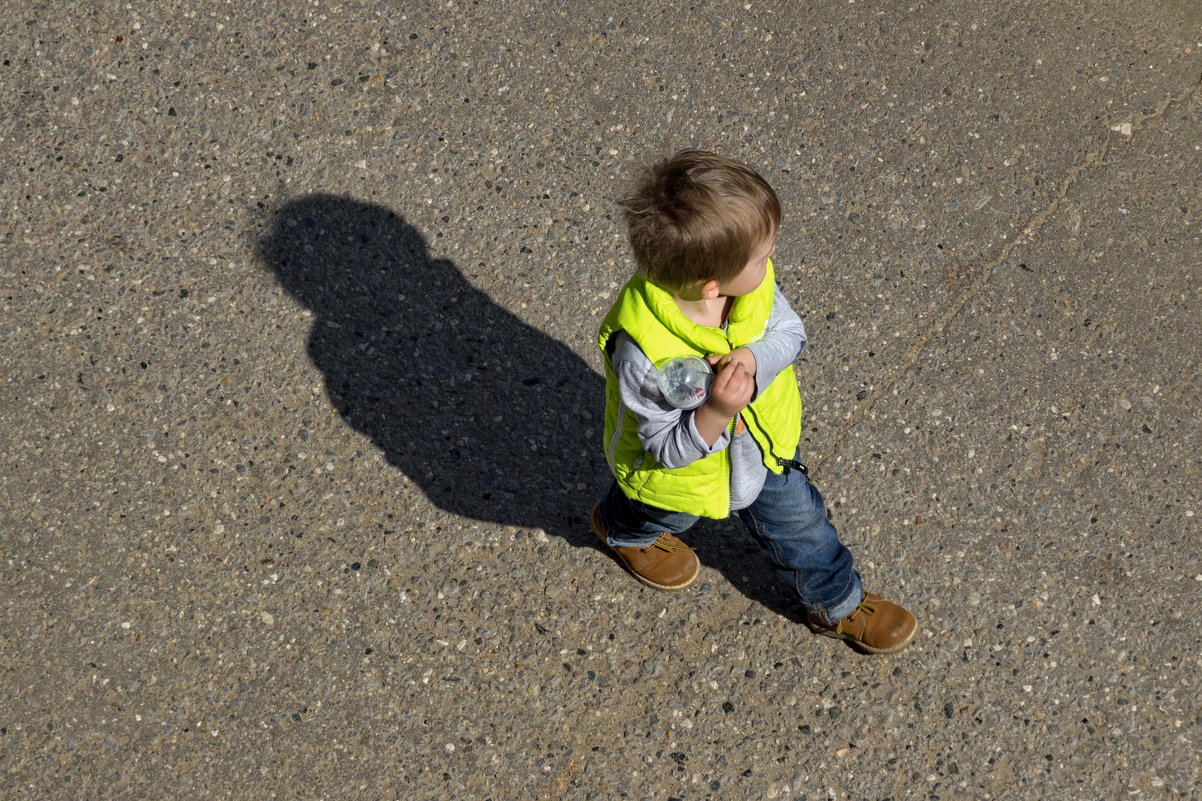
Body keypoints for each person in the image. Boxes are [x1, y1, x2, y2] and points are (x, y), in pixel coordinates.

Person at [592, 150, 916, 654]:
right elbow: (664, 449)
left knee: (802, 526)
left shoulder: (752, 289)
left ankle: (838, 603)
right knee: (657, 512)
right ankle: (622, 528)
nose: (772, 260)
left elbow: (791, 333)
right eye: (763, 255)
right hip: (683, 474)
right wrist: (716, 412)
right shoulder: (646, 355)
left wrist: (752, 356)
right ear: (711, 283)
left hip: (762, 450)